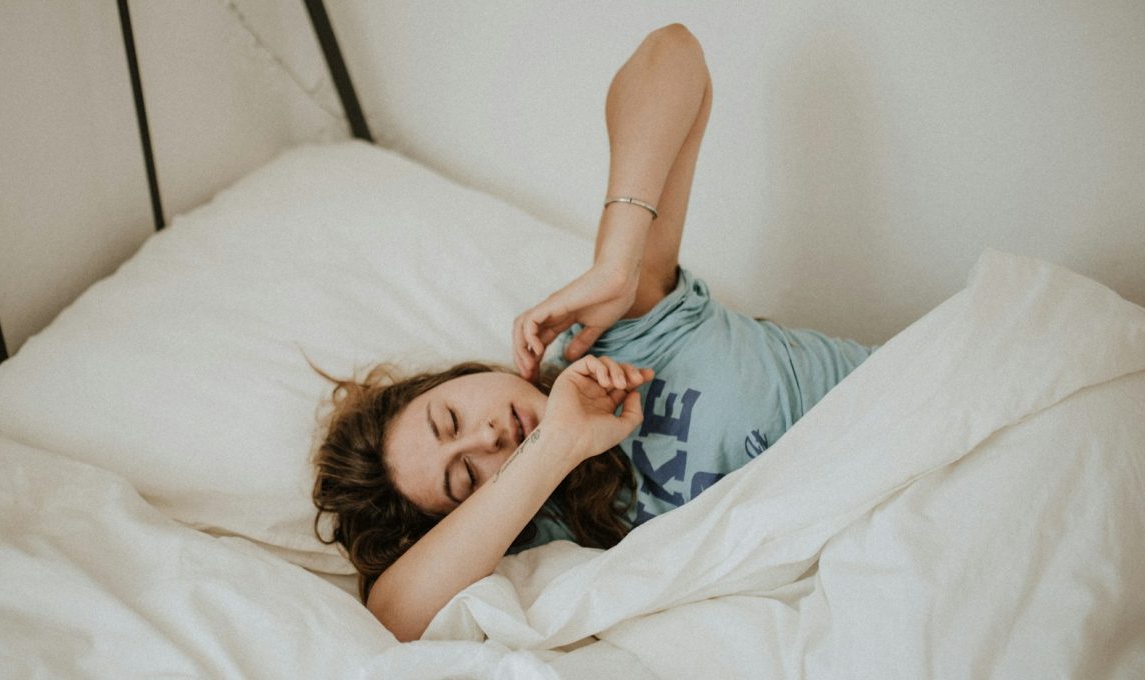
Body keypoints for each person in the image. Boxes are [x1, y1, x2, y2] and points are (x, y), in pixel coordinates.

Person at [312, 24, 874, 642]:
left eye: (451, 419)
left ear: (462, 378)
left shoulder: (619, 334)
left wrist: (618, 261)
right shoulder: (554, 537)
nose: (488, 435)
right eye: (467, 476)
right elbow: (395, 617)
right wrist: (554, 446)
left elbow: (674, 54)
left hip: (911, 414)